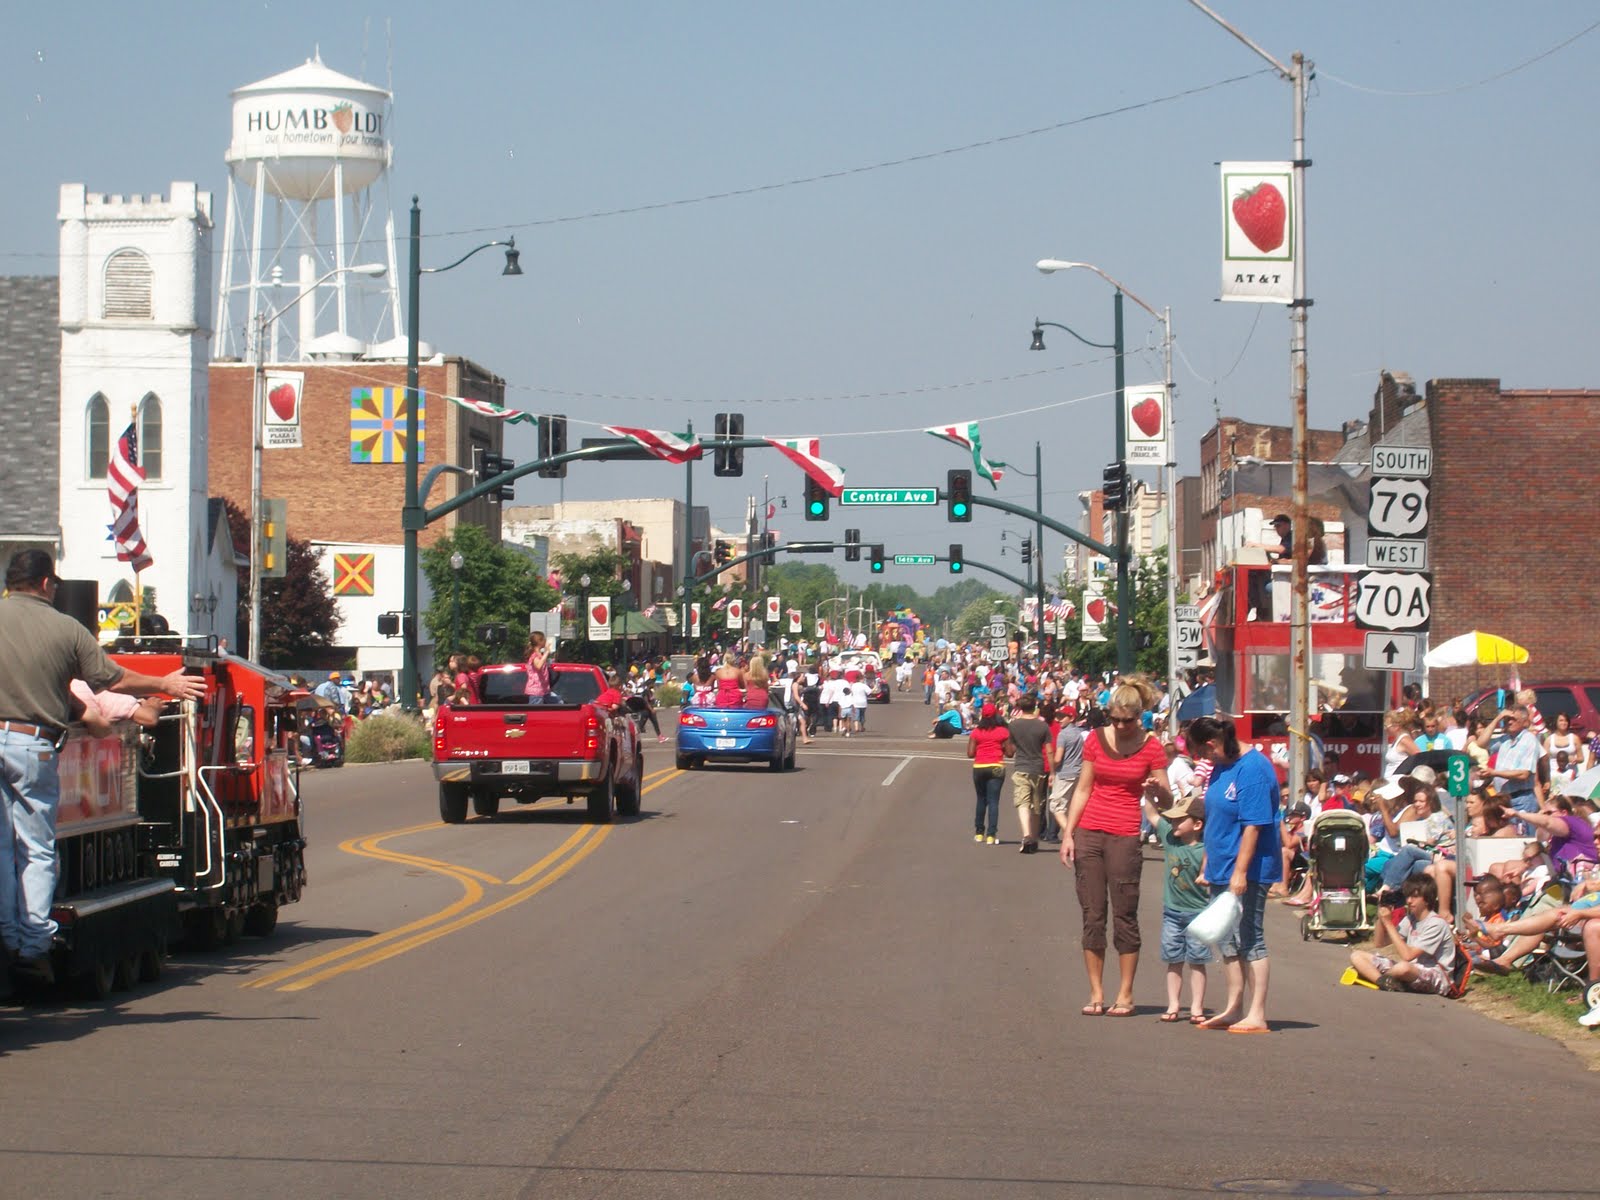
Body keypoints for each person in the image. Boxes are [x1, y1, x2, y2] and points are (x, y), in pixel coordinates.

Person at [0, 550, 206, 983]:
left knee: (2, 848)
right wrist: (163, 683)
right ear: (43, 584)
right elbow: (112, 679)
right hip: (31, 744)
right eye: (53, 584)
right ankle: (33, 942)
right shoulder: (65, 628)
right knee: (34, 849)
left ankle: (6, 932)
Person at [1059, 676, 1171, 1017]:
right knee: (1093, 915)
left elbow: (1167, 799)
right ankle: (1096, 992)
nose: (1121, 726)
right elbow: (1082, 788)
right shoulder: (1095, 739)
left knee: (1125, 914)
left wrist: (1155, 789)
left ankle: (1125, 993)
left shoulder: (1151, 747)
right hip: (1090, 830)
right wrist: (1069, 833)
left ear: (1139, 716)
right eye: (1115, 719)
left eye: (1128, 720)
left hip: (1124, 833)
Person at [1187, 713, 1281, 1032]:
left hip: (1249, 867)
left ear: (1213, 743)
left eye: (1203, 753)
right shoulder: (1221, 766)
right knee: (1226, 938)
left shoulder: (1253, 768)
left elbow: (1254, 825)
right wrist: (1208, 863)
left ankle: (1257, 1013)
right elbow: (1216, 818)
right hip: (1220, 864)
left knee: (1250, 937)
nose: (1203, 760)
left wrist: (1240, 872)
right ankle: (1234, 1006)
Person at [1141, 793, 1211, 1023]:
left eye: (1180, 820)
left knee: (1197, 961)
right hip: (1172, 912)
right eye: (1172, 819)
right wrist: (1149, 793)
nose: (1173, 823)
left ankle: (1197, 1007)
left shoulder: (1205, 848)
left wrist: (1206, 875)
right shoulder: (1170, 838)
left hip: (1199, 914)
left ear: (1197, 824)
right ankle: (1173, 1004)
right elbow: (1151, 814)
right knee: (1174, 959)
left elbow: (1215, 870)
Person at [1348, 876, 1457, 995]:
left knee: (1403, 967)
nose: (1409, 901)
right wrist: (1382, 919)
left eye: (1415, 897)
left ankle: (1377, 977)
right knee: (1357, 956)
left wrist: (1389, 924)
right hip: (1411, 969)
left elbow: (1407, 955)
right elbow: (1379, 943)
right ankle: (1382, 981)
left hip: (1437, 976)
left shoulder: (1436, 923)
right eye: (1408, 896)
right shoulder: (1410, 919)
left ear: (1427, 899)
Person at [1006, 693, 1051, 854]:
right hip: (1038, 767)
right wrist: (1051, 771)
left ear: (1019, 707)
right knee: (1037, 805)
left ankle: (1026, 835)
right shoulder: (1043, 726)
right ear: (1035, 707)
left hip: (1022, 766)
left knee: (1022, 801)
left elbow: (1010, 749)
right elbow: (1049, 750)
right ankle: (1034, 836)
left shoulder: (1014, 725)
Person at [968, 703, 1011, 845]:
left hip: (980, 765)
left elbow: (970, 753)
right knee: (994, 801)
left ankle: (979, 833)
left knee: (981, 799)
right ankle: (991, 835)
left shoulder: (976, 732)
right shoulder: (1003, 732)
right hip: (996, 766)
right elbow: (1010, 753)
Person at [523, 631, 552, 704]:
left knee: (559, 702)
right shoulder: (534, 655)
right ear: (539, 641)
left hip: (544, 690)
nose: (545, 641)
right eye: (544, 639)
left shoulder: (539, 655)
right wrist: (547, 652)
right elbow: (538, 666)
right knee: (536, 714)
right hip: (536, 691)